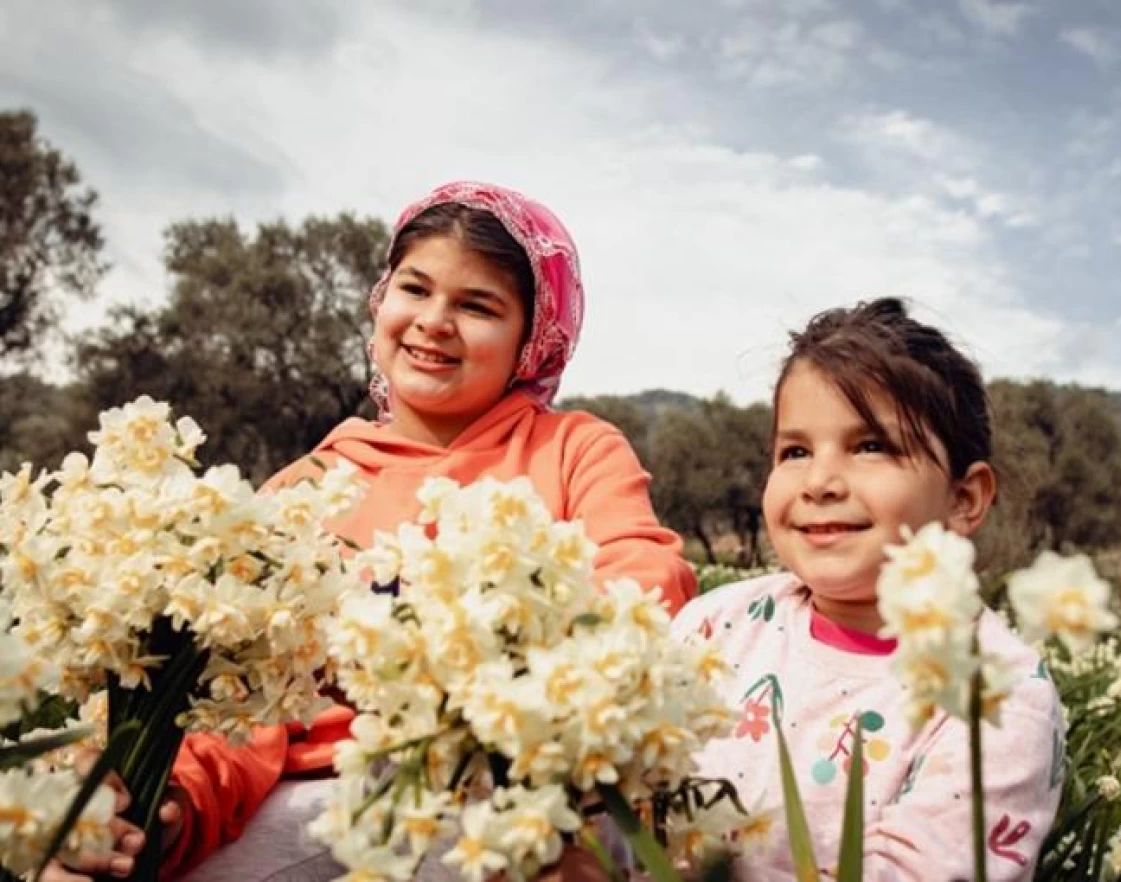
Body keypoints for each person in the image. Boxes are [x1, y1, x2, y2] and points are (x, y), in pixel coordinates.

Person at [43, 181, 695, 882]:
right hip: (308, 801)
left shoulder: (574, 450)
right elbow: (237, 710)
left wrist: (466, 665)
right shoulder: (303, 491)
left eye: (478, 306)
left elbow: (646, 583)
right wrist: (175, 803)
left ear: (531, 342)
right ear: (382, 300)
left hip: (507, 786)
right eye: (415, 289)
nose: (435, 321)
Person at [671, 298, 1065, 880]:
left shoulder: (998, 696)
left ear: (965, 499)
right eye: (795, 451)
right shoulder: (716, 624)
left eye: (871, 446)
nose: (821, 482)